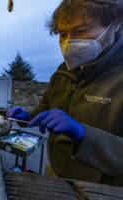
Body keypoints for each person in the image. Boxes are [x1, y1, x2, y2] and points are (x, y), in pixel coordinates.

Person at [7, 0, 123, 187]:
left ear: (115, 23)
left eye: (81, 31)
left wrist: (83, 134)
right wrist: (28, 116)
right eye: (63, 34)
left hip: (102, 189)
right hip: (56, 175)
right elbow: (47, 106)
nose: (69, 43)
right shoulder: (65, 71)